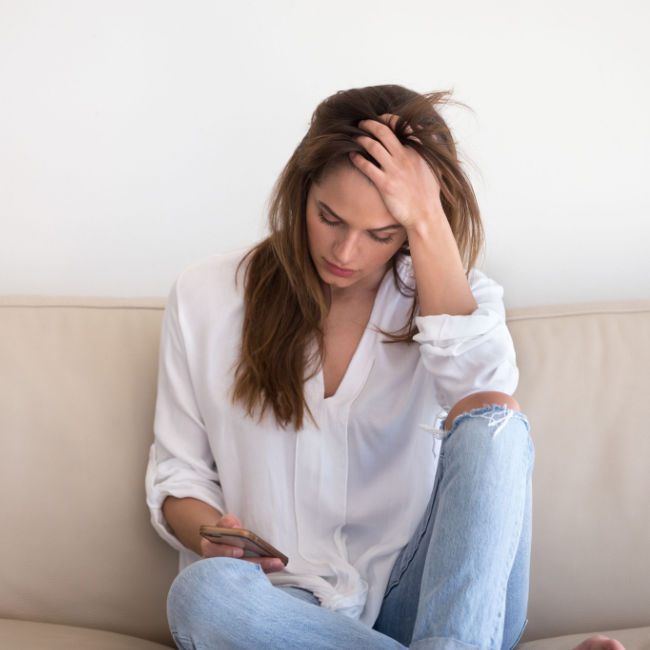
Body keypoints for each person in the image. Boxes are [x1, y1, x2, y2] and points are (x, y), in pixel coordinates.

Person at [145, 85, 624, 650]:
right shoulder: (208, 297)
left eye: (382, 233)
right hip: (287, 610)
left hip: (434, 600)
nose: (346, 253)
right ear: (301, 191)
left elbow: (488, 410)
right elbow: (180, 476)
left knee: (495, 420)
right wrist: (210, 536)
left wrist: (425, 218)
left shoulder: (455, 301)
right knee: (202, 597)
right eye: (330, 218)